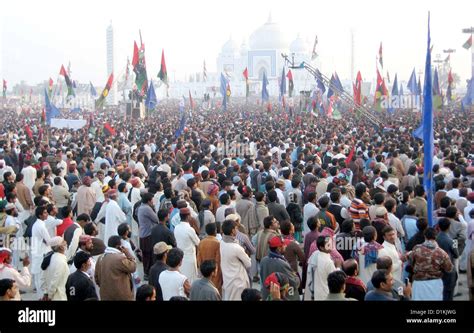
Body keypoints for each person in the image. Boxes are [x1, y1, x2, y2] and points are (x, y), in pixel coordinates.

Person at [408, 227, 453, 300]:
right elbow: (449, 269)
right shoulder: (441, 252)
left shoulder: (416, 248)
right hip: (435, 284)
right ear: (436, 236)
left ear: (425, 236)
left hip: (419, 283)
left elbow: (410, 262)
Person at [95, 235, 137, 300]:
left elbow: (97, 278)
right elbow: (133, 267)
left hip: (105, 296)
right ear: (118, 246)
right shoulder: (120, 258)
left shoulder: (100, 258)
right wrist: (128, 254)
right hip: (121, 296)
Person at [259, 235, 300, 301]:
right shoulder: (282, 264)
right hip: (282, 296)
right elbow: (293, 283)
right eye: (284, 245)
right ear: (279, 248)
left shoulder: (263, 260)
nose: (286, 246)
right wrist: (296, 277)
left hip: (268, 296)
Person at [220, 219, 252, 300]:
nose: (237, 230)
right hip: (238, 281)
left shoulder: (222, 243)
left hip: (227, 279)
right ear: (233, 231)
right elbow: (248, 264)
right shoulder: (236, 247)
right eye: (236, 228)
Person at [304, 235, 337, 300]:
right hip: (325, 294)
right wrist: (338, 267)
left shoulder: (315, 254)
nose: (331, 246)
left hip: (315, 291)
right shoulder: (328, 262)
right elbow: (336, 279)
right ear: (322, 247)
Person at [173, 207, 200, 283]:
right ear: (188, 217)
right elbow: (198, 243)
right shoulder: (189, 229)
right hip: (189, 258)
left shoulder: (176, 228)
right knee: (191, 280)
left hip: (181, 258)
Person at [436, 218, 459, 301]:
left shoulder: (435, 238)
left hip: (437, 269)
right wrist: (455, 242)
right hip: (448, 270)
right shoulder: (451, 241)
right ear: (449, 227)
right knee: (449, 293)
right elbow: (456, 254)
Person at [137, 192, 159, 277]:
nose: (153, 202)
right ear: (149, 201)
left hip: (143, 234)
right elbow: (156, 219)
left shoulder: (141, 207)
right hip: (147, 235)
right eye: (152, 200)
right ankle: (148, 273)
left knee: (146, 255)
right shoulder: (146, 208)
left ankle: (146, 272)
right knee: (149, 255)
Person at [41, 236, 69, 301]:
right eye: (64, 242)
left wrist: (46, 293)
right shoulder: (61, 261)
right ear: (61, 247)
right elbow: (55, 281)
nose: (66, 243)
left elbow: (42, 278)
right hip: (58, 296)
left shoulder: (49, 258)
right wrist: (50, 296)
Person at [197, 223, 222, 292]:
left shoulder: (201, 242)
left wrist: (201, 270)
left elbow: (198, 259)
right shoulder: (217, 243)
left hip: (204, 272)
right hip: (214, 273)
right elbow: (218, 260)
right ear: (215, 231)